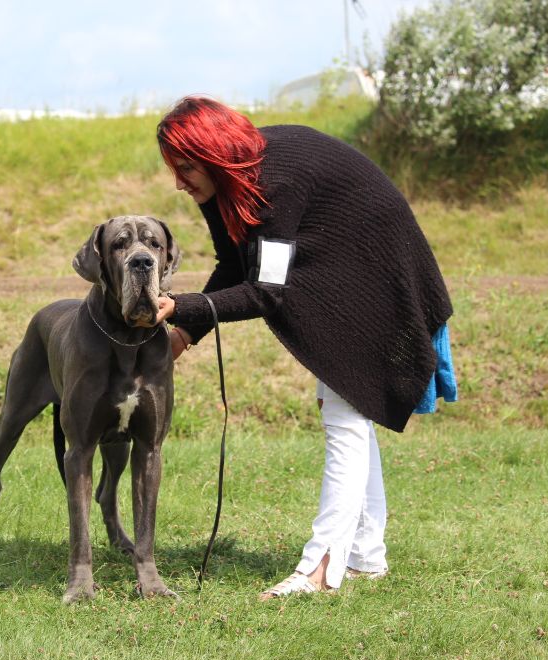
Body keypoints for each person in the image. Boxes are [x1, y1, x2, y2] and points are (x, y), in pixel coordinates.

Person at [153, 95, 455, 597]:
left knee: (344, 413)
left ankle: (321, 569)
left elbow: (266, 291)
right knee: (347, 408)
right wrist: (185, 333)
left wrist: (180, 306)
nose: (179, 182)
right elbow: (235, 265)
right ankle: (364, 558)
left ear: (215, 155)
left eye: (186, 168)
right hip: (344, 275)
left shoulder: (276, 179)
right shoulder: (228, 185)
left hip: (379, 279)